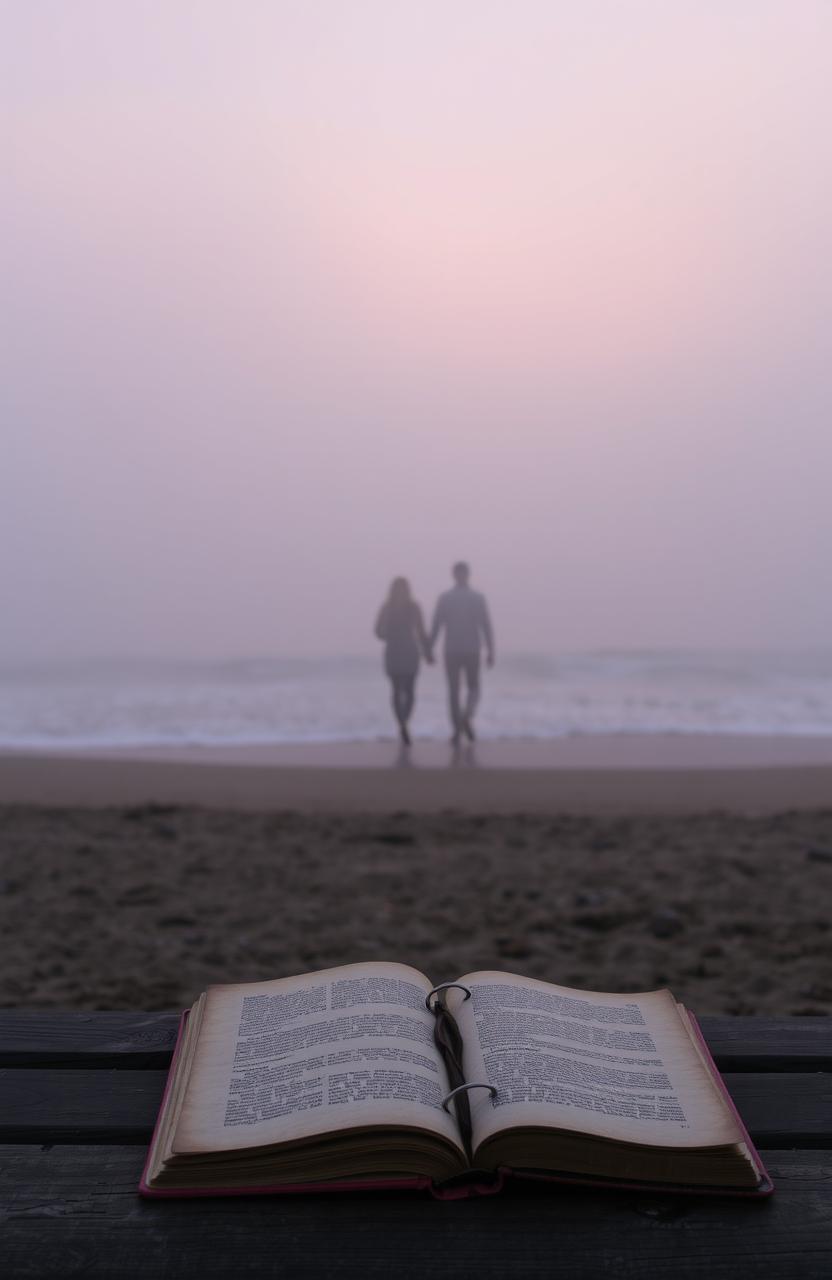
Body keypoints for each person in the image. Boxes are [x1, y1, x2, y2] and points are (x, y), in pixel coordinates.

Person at [429, 561, 494, 745]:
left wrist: (429, 649)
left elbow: (436, 625)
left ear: (454, 575)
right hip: (471, 648)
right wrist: (490, 650)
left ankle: (457, 729)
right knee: (473, 688)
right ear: (467, 575)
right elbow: (486, 625)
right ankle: (467, 716)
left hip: (452, 650)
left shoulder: (446, 598)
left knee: (454, 691)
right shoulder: (477, 598)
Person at [374, 577, 433, 745]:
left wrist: (427, 652)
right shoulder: (387, 608)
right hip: (395, 651)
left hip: (408, 651)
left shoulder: (414, 608)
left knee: (409, 691)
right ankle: (402, 723)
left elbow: (421, 631)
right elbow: (377, 631)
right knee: (397, 690)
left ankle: (404, 721)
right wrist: (388, 634)